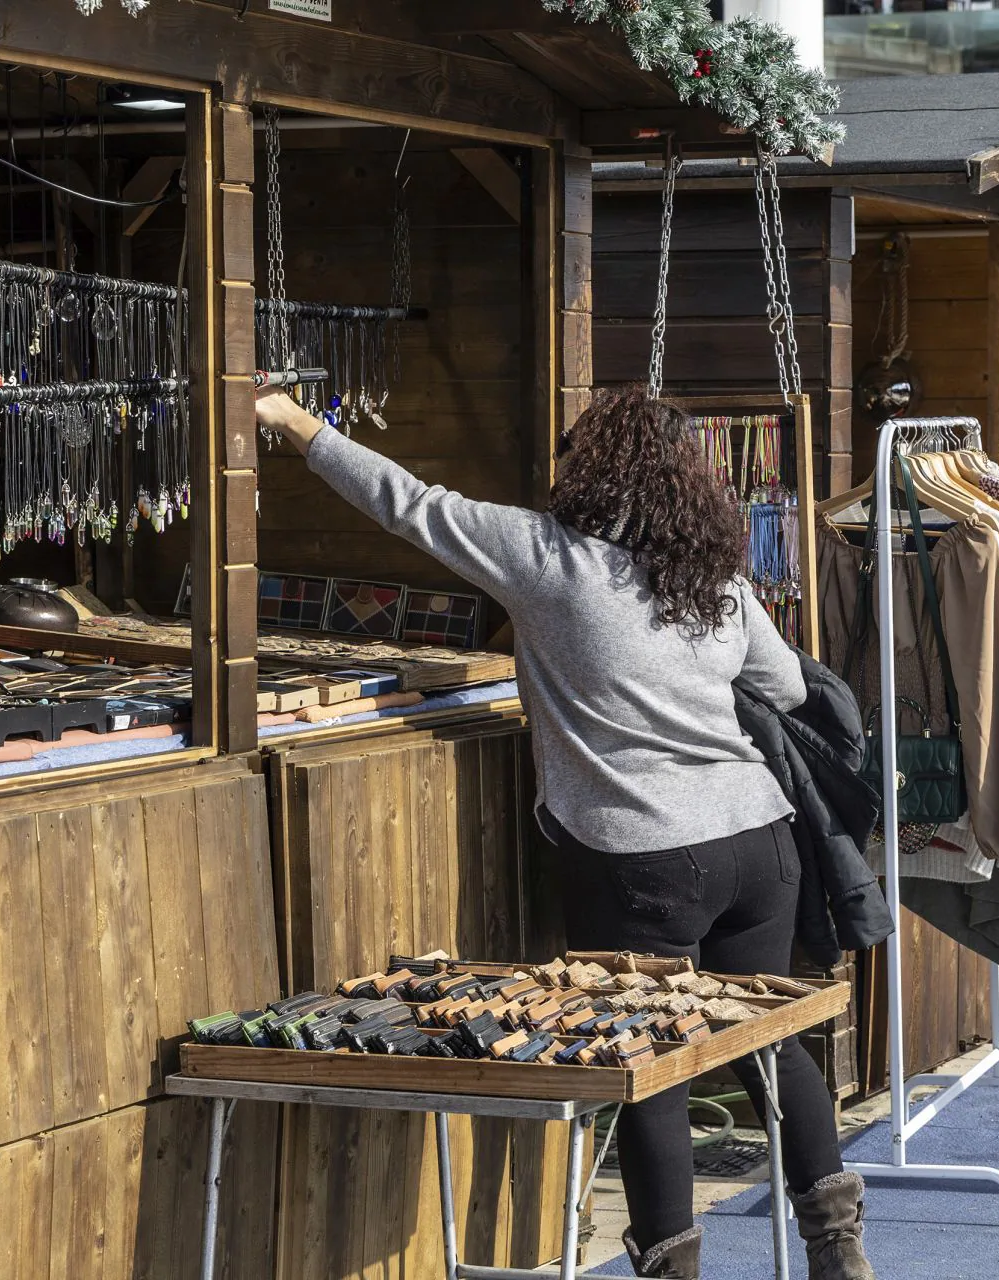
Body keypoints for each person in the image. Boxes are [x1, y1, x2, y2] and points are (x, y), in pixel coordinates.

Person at [254, 385, 875, 1280]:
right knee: (765, 1041)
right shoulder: (714, 581)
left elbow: (409, 504)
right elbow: (781, 687)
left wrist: (298, 424)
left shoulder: (548, 559)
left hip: (643, 854)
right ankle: (838, 1247)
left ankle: (669, 1271)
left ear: (591, 472)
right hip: (758, 837)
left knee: (649, 1065)